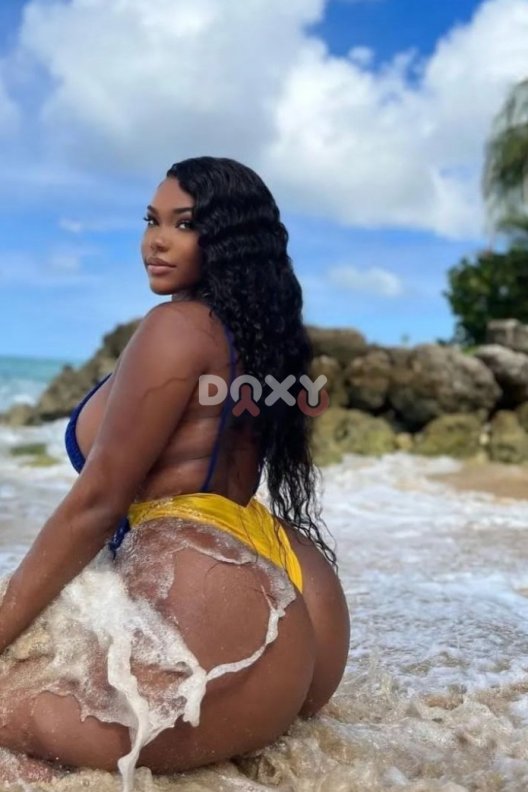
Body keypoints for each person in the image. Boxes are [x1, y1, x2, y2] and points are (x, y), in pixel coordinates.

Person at [0, 157, 350, 781]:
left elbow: (97, 503)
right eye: (151, 220)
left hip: (218, 600)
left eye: (184, 224)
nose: (156, 241)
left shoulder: (175, 328)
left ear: (228, 239)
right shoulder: (257, 337)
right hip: (292, 587)